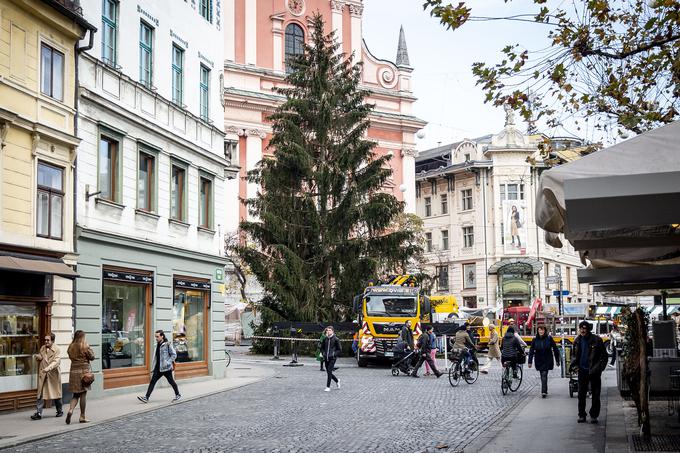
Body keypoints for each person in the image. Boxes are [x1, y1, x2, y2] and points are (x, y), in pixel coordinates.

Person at [570, 320, 608, 424]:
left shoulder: (597, 340)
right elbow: (573, 356)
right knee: (581, 393)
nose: (582, 330)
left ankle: (594, 415)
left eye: (584, 329)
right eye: (581, 328)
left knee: (596, 393)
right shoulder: (577, 340)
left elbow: (604, 356)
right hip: (582, 370)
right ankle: (582, 415)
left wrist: (600, 368)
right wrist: (575, 367)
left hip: (594, 370)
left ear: (588, 329)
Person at [138, 330, 181, 403]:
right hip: (158, 368)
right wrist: (153, 367)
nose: (156, 338)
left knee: (171, 382)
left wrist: (168, 362)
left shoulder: (167, 345)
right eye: (155, 336)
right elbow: (156, 358)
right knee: (152, 381)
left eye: (157, 336)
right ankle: (146, 397)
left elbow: (174, 355)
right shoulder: (157, 345)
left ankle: (178, 394)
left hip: (166, 368)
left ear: (162, 336)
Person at [31, 333, 63, 420]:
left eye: (48, 340)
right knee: (40, 394)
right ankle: (38, 413)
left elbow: (56, 361)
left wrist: (48, 368)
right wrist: (38, 357)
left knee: (56, 394)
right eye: (45, 340)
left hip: (53, 375)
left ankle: (59, 410)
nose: (46, 341)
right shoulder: (42, 347)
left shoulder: (57, 349)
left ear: (52, 340)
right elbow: (43, 357)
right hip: (43, 374)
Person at [66, 330, 95, 424]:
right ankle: (82, 416)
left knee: (75, 395)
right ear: (82, 337)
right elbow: (92, 357)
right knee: (83, 394)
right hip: (84, 372)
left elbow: (70, 357)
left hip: (73, 371)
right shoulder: (85, 345)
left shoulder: (71, 346)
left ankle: (70, 410)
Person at [528, 325, 561, 398]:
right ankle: (544, 388)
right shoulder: (535, 339)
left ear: (545, 331)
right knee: (542, 374)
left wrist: (557, 360)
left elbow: (555, 349)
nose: (541, 331)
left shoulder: (549, 338)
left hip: (547, 359)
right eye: (539, 330)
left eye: (542, 330)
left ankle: (544, 391)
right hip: (539, 360)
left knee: (544, 374)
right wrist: (529, 362)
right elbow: (531, 351)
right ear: (537, 331)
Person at [320, 326, 341, 391]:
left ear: (332, 331)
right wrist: (323, 353)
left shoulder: (336, 339)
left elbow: (339, 349)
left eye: (329, 330)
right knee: (329, 372)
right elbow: (322, 348)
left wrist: (334, 354)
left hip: (332, 358)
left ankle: (328, 387)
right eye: (327, 330)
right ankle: (337, 380)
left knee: (329, 371)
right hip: (326, 358)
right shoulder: (325, 339)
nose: (328, 331)